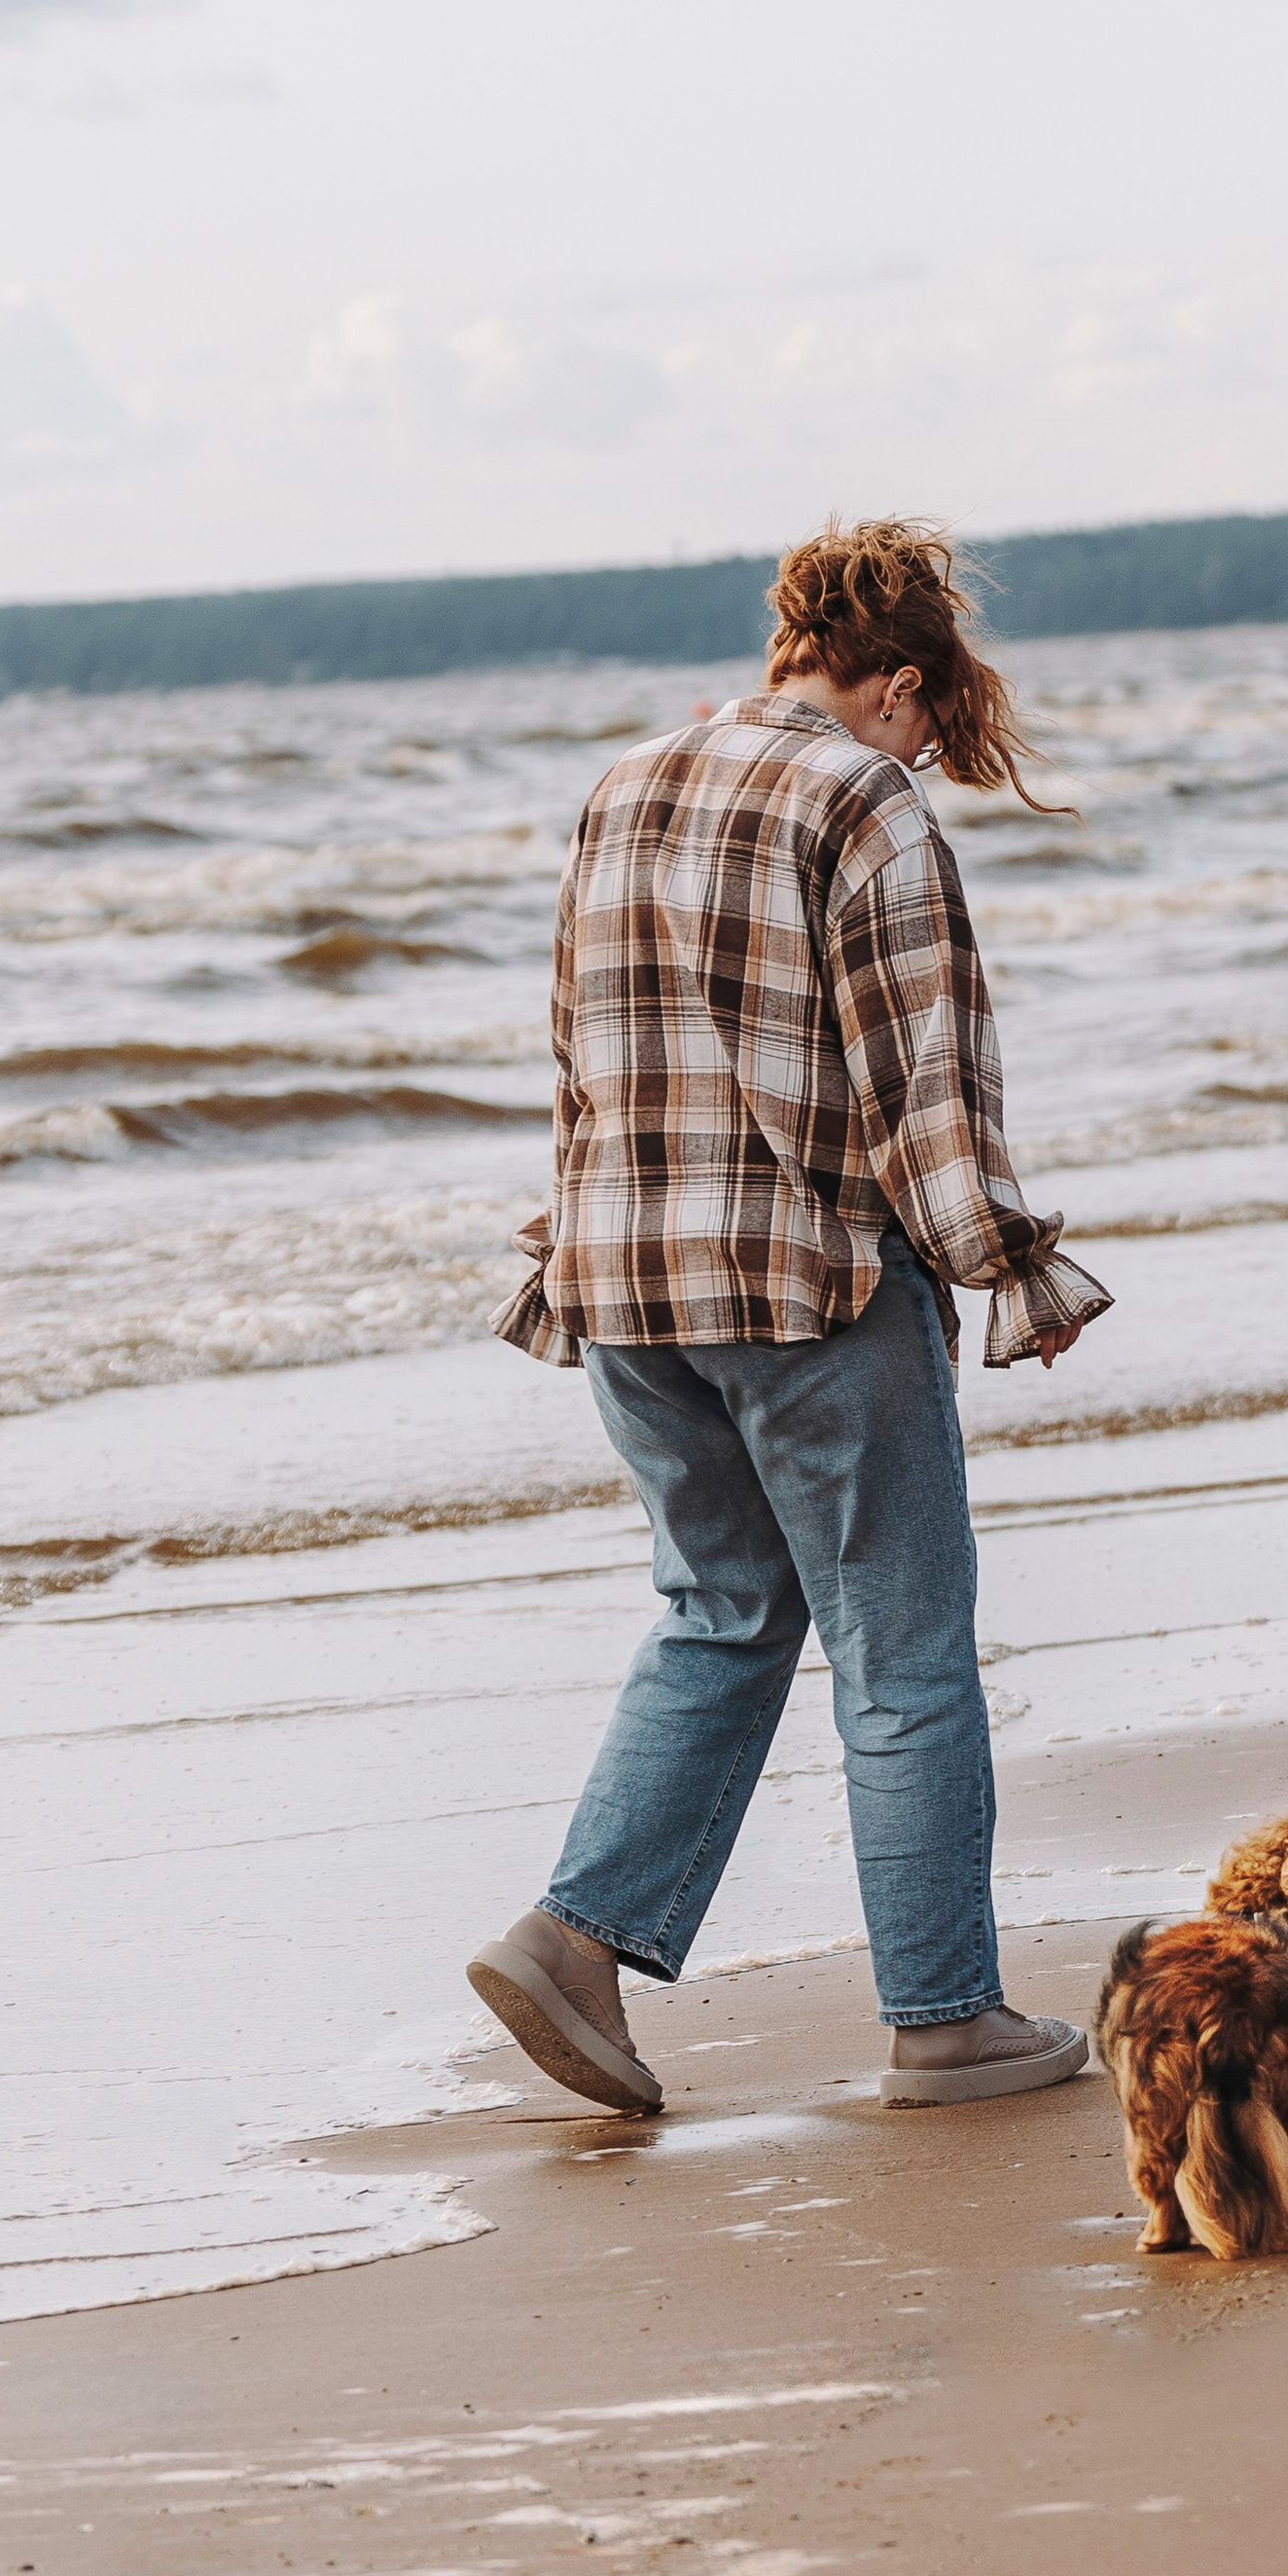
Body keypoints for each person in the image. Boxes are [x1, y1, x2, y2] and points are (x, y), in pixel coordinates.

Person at [466, 520, 1113, 2118]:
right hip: (805, 1287)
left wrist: (570, 1248)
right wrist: (1009, 1262)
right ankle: (946, 2019)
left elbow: (577, 1046)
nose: (925, 754)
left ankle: (573, 1940)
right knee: (902, 1655)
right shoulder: (860, 798)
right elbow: (923, 1081)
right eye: (930, 723)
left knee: (723, 1612)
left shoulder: (626, 780)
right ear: (895, 685)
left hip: (626, 1281)